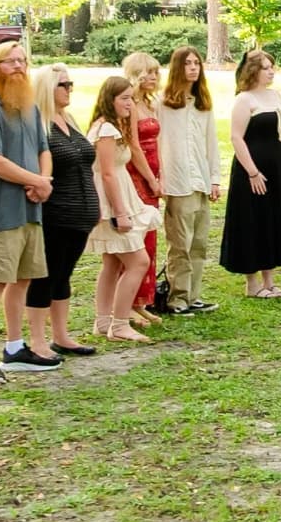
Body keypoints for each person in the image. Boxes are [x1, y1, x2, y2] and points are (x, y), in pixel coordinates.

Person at [0, 39, 53, 387]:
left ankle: (15, 348)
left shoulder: (30, 108)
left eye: (22, 61)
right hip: (3, 211)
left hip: (31, 209)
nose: (18, 67)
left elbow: (42, 148)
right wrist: (36, 180)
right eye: (10, 62)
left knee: (23, 279)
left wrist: (43, 181)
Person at [25, 65, 100, 361]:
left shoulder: (69, 119)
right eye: (63, 84)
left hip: (82, 214)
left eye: (71, 84)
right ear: (47, 88)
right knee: (46, 275)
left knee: (64, 275)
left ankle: (61, 334)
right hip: (55, 214)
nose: (69, 89)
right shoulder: (38, 124)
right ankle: (37, 340)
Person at [220, 46, 281, 298]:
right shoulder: (245, 99)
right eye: (265, 68)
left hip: (276, 167)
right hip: (253, 169)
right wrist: (252, 172)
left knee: (272, 219)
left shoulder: (274, 95)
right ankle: (252, 283)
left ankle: (270, 280)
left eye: (271, 67)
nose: (271, 72)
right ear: (253, 71)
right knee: (254, 220)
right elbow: (236, 137)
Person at [85, 73, 154, 339]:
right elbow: (106, 173)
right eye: (125, 99)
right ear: (109, 99)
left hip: (118, 197)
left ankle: (104, 320)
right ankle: (120, 323)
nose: (130, 104)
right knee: (138, 261)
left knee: (112, 263)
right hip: (112, 203)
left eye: (132, 98)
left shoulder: (111, 126)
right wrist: (120, 212)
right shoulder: (106, 130)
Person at [158, 47, 220, 316]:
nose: (193, 68)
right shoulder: (163, 104)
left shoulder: (202, 104)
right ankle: (177, 297)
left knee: (199, 242)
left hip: (200, 181)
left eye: (197, 63)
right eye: (188, 64)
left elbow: (211, 144)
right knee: (180, 244)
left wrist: (215, 179)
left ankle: (193, 295)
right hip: (177, 181)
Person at [121, 48, 165, 326]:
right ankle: (124, 305)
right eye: (147, 72)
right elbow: (134, 146)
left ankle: (142, 301)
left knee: (150, 240)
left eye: (155, 72)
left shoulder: (150, 103)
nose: (152, 77)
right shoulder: (129, 105)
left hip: (155, 170)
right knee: (135, 240)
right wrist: (150, 178)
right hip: (137, 174)